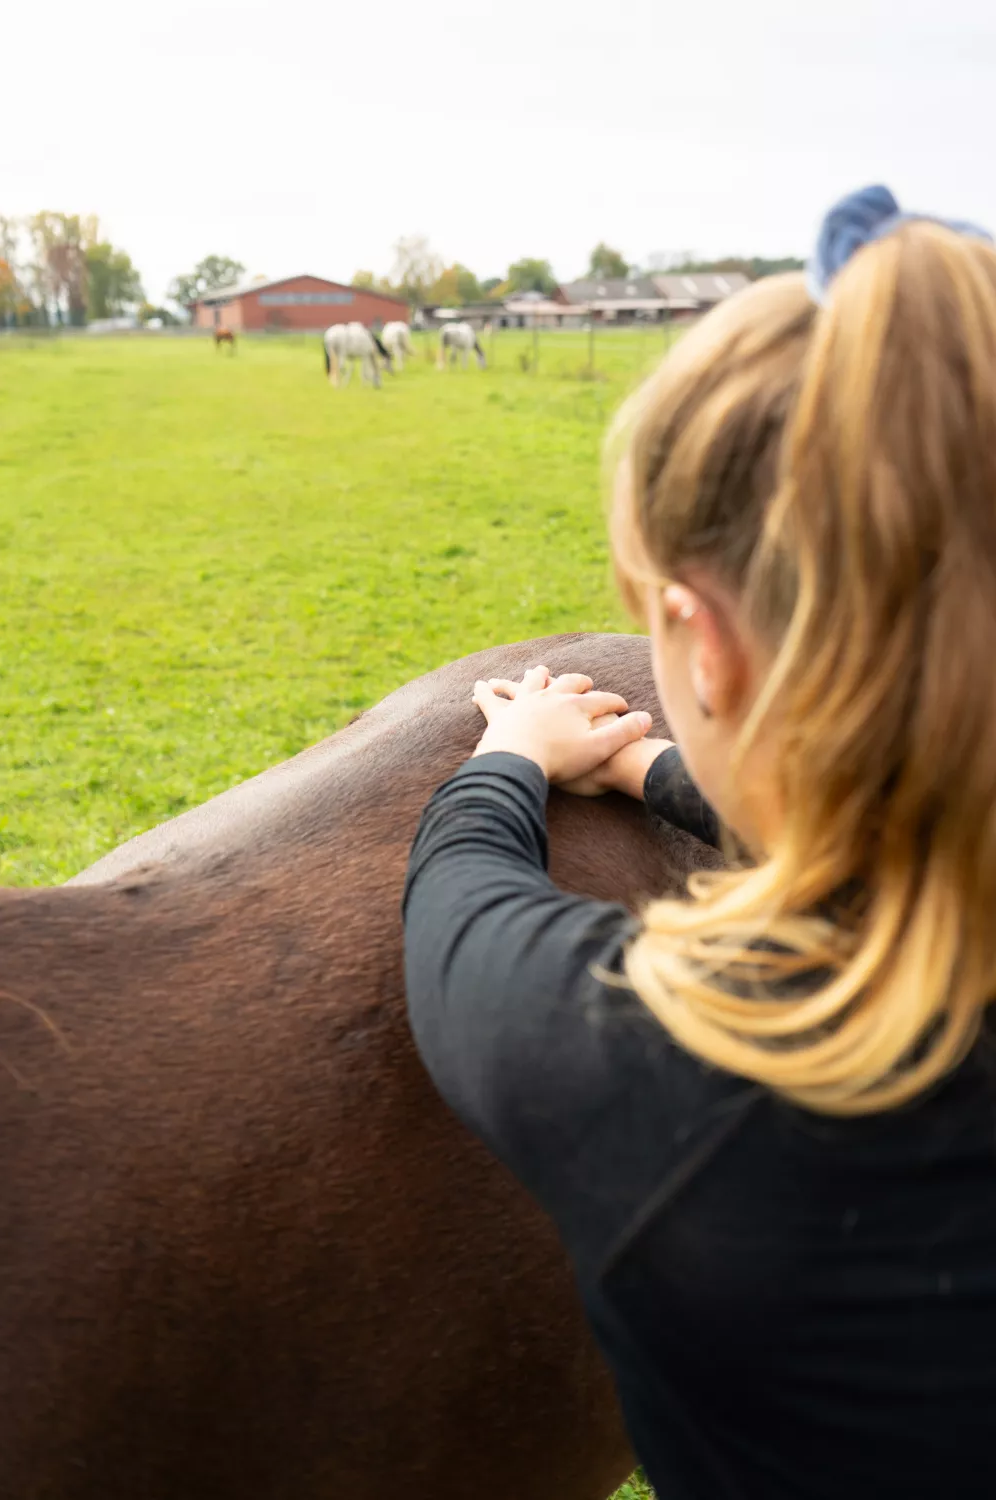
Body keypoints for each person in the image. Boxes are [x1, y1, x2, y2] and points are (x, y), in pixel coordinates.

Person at [401, 186, 996, 1500]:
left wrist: (519, 758)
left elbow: (461, 920)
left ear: (705, 647)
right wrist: (657, 770)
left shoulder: (664, 1078)